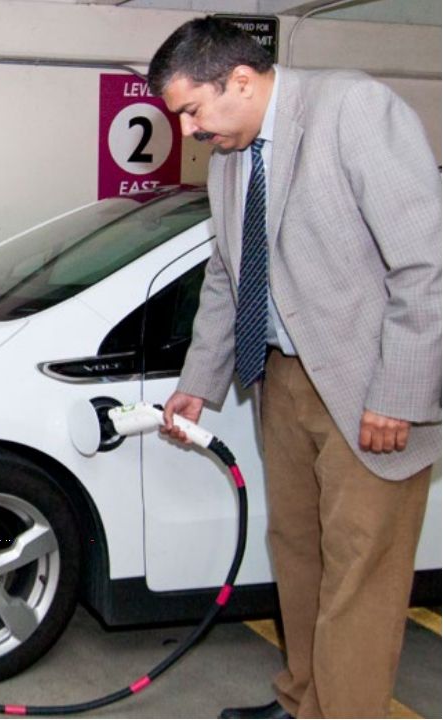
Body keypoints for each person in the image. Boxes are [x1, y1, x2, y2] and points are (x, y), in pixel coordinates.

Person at [146, 17, 441, 720]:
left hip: (370, 388)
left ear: (239, 81)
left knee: (359, 574)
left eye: (191, 109)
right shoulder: (231, 158)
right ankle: (305, 698)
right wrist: (198, 383)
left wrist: (397, 395)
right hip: (281, 380)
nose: (187, 131)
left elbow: (427, 266)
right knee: (300, 555)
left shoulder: (352, 112)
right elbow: (226, 277)